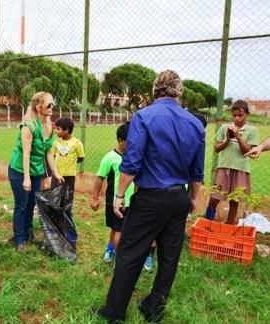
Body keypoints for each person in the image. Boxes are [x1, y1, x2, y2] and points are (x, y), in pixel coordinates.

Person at [93, 70, 205, 323]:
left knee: (130, 253)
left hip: (150, 198)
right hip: (179, 197)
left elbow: (131, 163)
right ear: (180, 91)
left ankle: (114, 313)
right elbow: (197, 171)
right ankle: (154, 306)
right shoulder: (195, 123)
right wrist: (194, 199)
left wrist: (119, 195)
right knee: (169, 255)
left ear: (155, 90)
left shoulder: (144, 117)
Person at [8, 91, 64, 252]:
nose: (52, 107)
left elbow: (47, 152)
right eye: (49, 104)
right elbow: (26, 153)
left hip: (36, 171)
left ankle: (29, 235)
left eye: (53, 103)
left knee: (32, 203)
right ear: (38, 106)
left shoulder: (49, 126)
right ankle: (19, 240)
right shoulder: (28, 126)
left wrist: (56, 173)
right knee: (21, 205)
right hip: (20, 171)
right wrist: (26, 178)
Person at [205, 100, 259, 225]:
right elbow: (217, 148)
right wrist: (228, 140)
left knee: (234, 200)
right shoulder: (224, 128)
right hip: (224, 168)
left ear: (247, 114)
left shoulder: (252, 130)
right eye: (234, 115)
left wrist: (238, 136)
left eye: (240, 115)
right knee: (214, 198)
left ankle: (228, 227)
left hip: (241, 169)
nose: (237, 118)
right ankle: (207, 223)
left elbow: (247, 151)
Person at [90, 122, 134, 263]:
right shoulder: (109, 158)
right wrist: (95, 198)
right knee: (119, 231)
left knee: (118, 230)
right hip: (115, 202)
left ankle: (110, 249)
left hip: (132, 201)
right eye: (130, 142)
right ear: (120, 140)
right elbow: (99, 179)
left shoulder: (134, 157)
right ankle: (118, 260)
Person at [51, 117, 85, 203]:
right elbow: (53, 156)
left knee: (67, 198)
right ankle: (55, 215)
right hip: (56, 175)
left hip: (69, 175)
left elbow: (81, 157)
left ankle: (67, 215)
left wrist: (70, 162)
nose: (55, 131)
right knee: (55, 196)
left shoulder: (77, 143)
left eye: (58, 129)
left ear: (66, 130)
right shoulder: (56, 142)